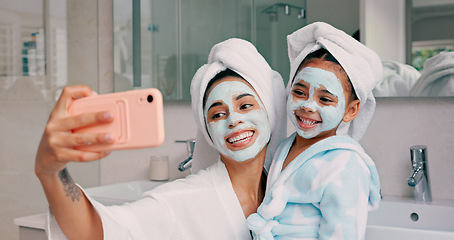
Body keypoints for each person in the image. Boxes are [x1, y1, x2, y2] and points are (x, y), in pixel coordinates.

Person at [35, 38, 287, 239]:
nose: (233, 120)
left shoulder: (286, 191)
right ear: (208, 132)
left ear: (270, 111)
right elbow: (97, 232)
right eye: (217, 114)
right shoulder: (184, 201)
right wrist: (51, 173)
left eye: (245, 106)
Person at [246, 22, 382, 239]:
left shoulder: (345, 164)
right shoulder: (285, 146)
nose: (308, 106)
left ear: (351, 110)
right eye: (299, 92)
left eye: (325, 99)